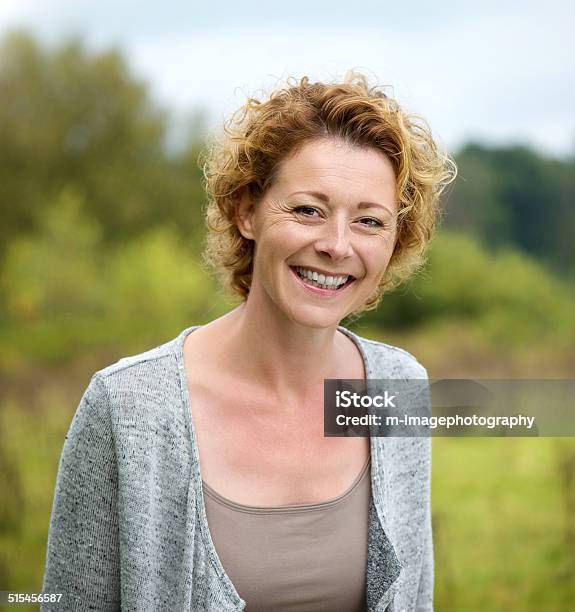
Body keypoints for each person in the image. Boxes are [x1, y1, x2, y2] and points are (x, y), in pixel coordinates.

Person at [41, 72, 456, 611]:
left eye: (369, 221)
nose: (335, 245)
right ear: (247, 211)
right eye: (308, 209)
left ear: (394, 241)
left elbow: (414, 598)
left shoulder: (398, 388)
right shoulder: (127, 406)